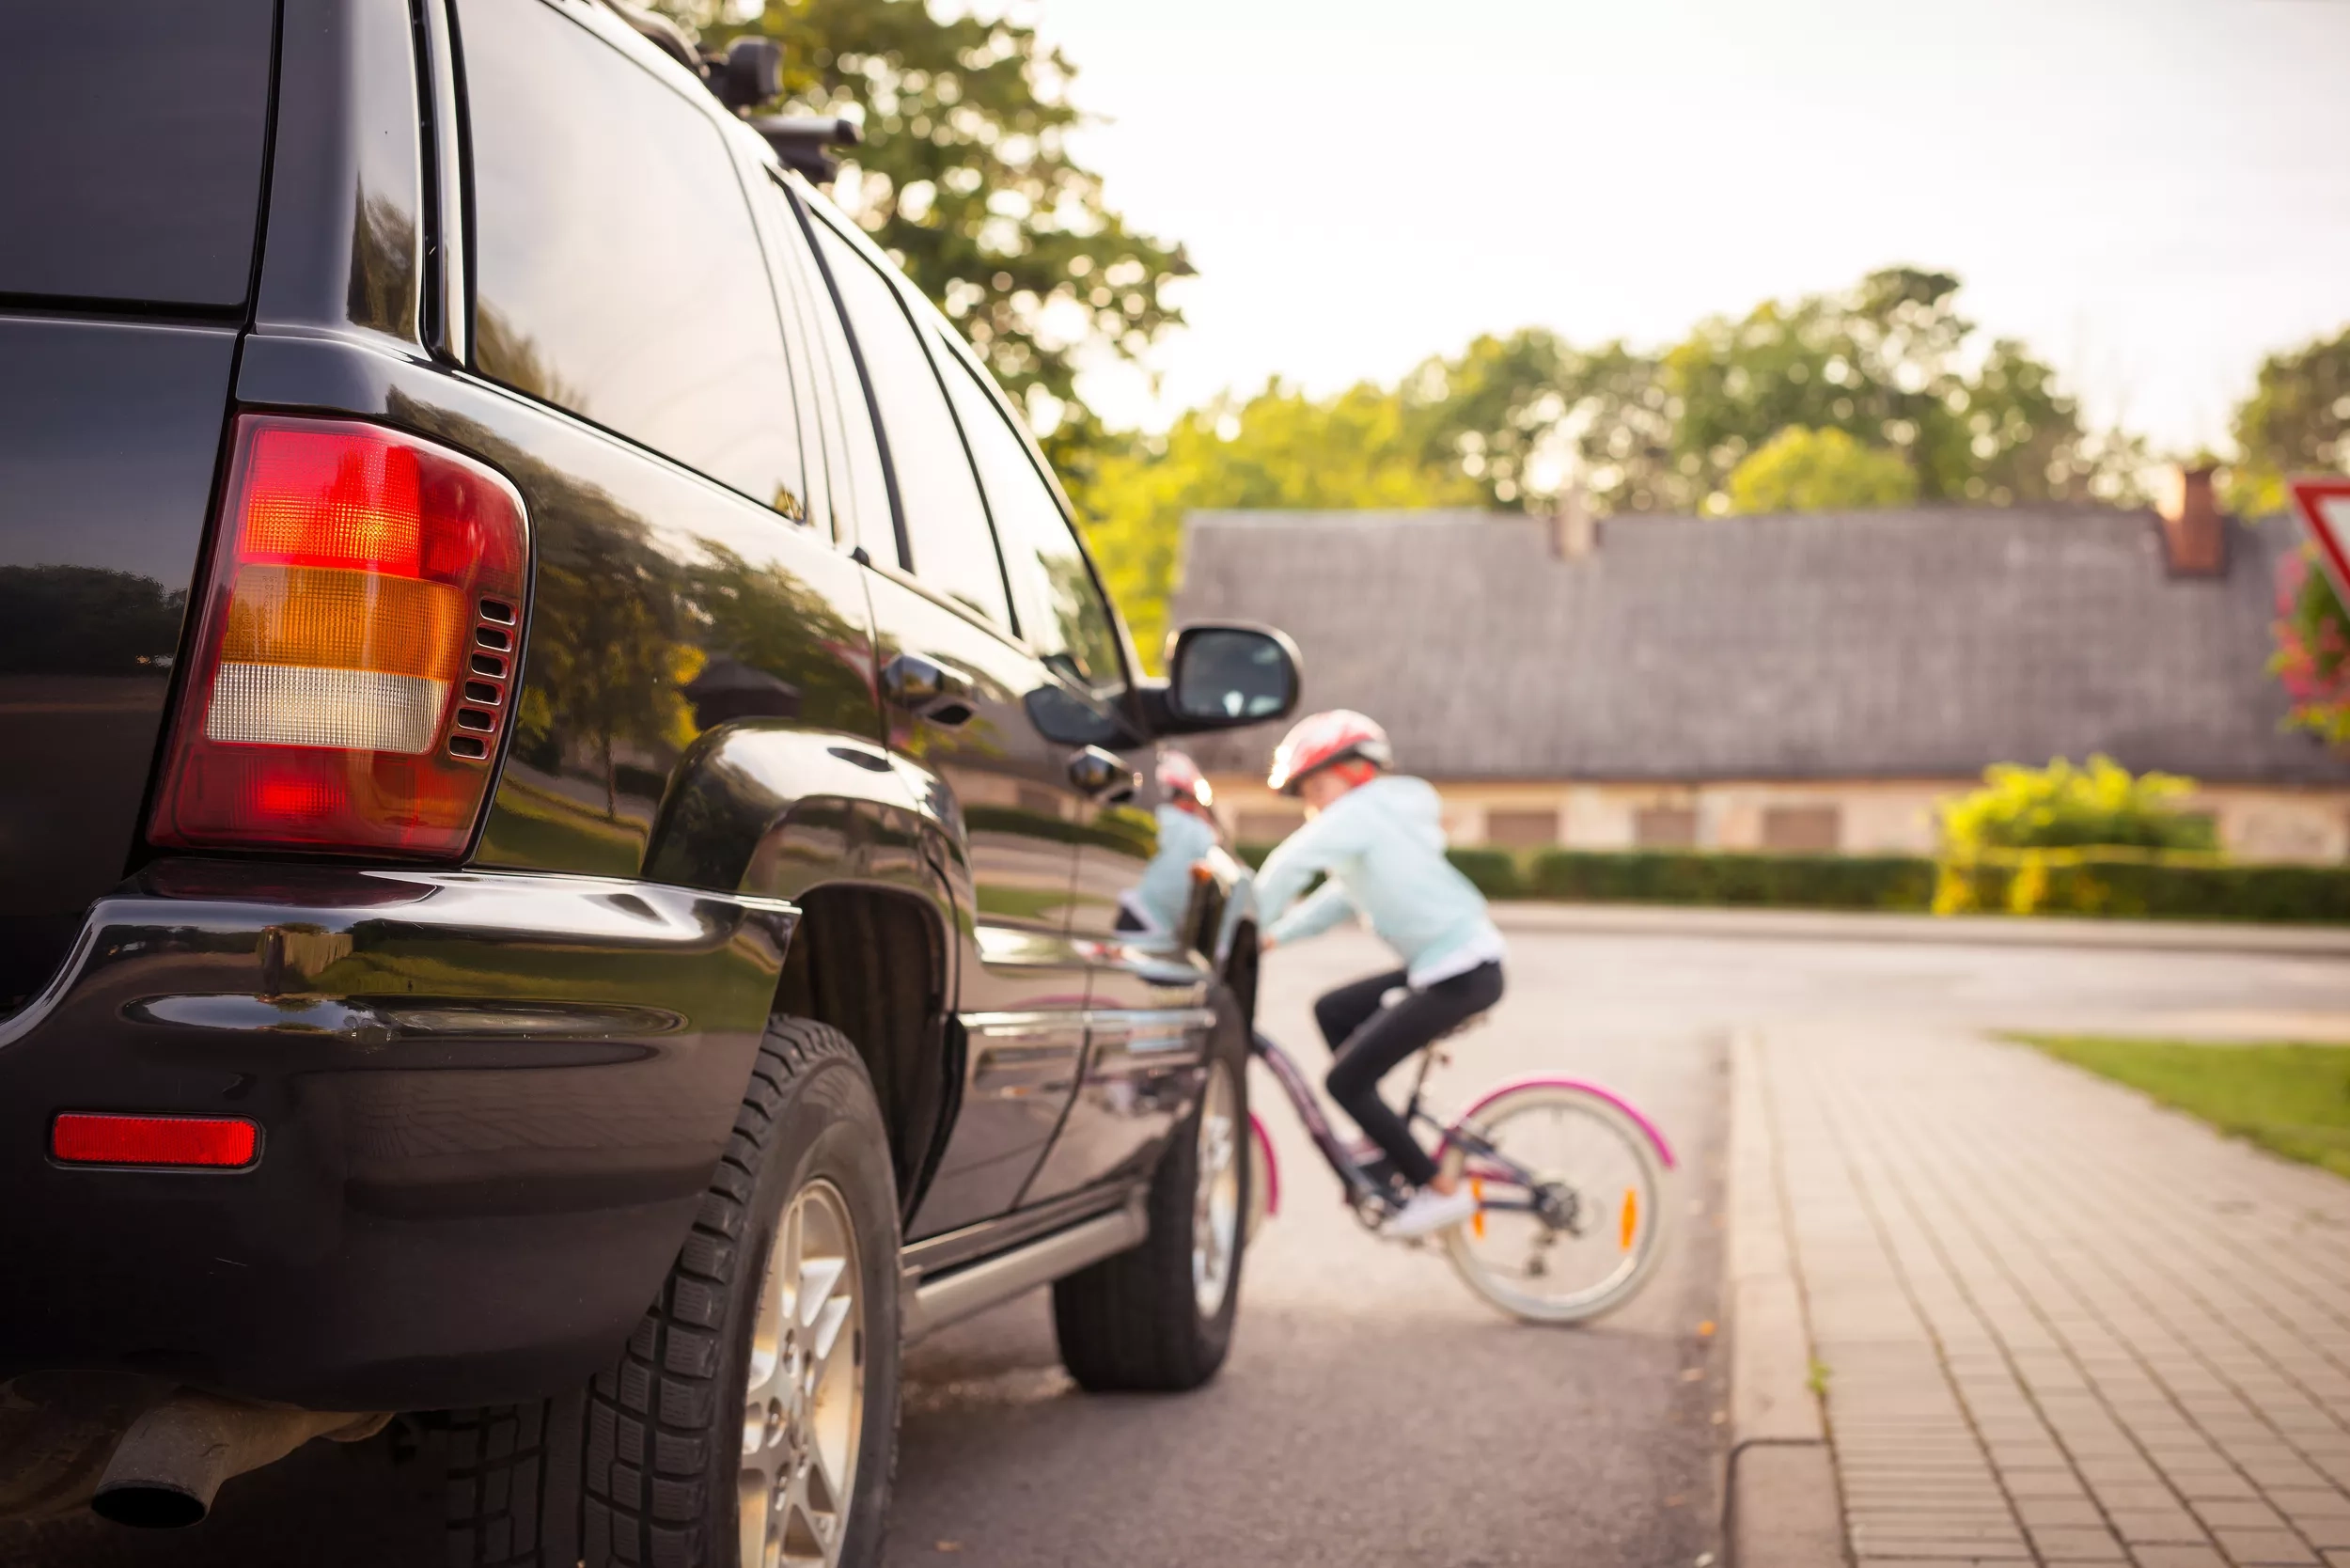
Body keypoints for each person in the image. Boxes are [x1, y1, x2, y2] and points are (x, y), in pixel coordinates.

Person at [1253, 710, 1506, 1238]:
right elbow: (1339, 898)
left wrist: (1237, 922)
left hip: (1458, 973)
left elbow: (1287, 866)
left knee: (1344, 1082)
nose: (1312, 805)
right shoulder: (1382, 820)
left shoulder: (1362, 813)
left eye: (1315, 787)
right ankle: (1383, 1131)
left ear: (1356, 773)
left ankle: (1438, 1190)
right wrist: (1272, 936)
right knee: (1333, 1010)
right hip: (1449, 966)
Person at [1117, 749, 1222, 936]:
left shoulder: (1160, 818)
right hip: (1157, 921)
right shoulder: (1199, 830)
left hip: (1137, 910)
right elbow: (1216, 847)